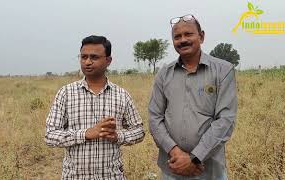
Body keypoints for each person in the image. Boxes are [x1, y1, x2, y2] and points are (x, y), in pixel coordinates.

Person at [149, 14, 238, 180]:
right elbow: (155, 118)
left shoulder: (223, 70)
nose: (182, 40)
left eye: (188, 34)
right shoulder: (164, 74)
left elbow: (225, 119)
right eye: (177, 36)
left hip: (209, 168)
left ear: (201, 36)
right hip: (172, 167)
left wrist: (194, 158)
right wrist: (175, 152)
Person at [45, 35, 145, 179]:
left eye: (94, 57)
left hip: (111, 176)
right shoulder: (65, 93)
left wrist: (118, 136)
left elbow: (139, 131)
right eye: (83, 57)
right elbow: (50, 135)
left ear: (108, 60)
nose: (87, 62)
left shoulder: (121, 95)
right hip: (75, 176)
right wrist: (86, 133)